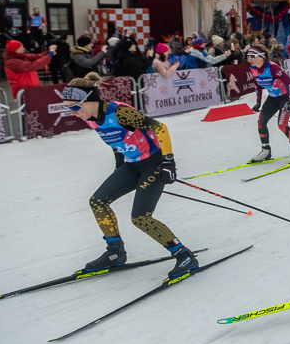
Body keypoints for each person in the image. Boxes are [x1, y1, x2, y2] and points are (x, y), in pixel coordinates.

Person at [60, 73, 197, 278]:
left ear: (89, 100)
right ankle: (115, 252)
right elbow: (116, 139)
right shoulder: (90, 117)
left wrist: (169, 162)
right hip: (132, 165)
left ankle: (183, 255)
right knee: (98, 201)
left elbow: (160, 128)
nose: (72, 113)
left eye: (74, 107)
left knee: (140, 218)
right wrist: (119, 163)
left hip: (154, 163)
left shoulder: (120, 113)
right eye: (68, 108)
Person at [247, 43, 290, 163]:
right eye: (248, 56)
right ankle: (266, 151)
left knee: (282, 124)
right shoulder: (253, 69)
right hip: (273, 98)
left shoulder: (273, 68)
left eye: (252, 56)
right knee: (261, 122)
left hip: (285, 98)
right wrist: (258, 102)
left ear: (261, 56)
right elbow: (258, 85)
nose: (249, 59)